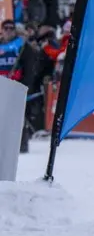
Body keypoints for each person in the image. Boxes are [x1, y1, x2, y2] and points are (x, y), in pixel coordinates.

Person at [2, 18, 43, 152]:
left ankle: (21, 146)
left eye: (11, 28)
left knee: (17, 118)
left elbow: (30, 69)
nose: (8, 31)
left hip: (16, 86)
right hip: (2, 85)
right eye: (5, 28)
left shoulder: (22, 47)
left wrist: (24, 86)